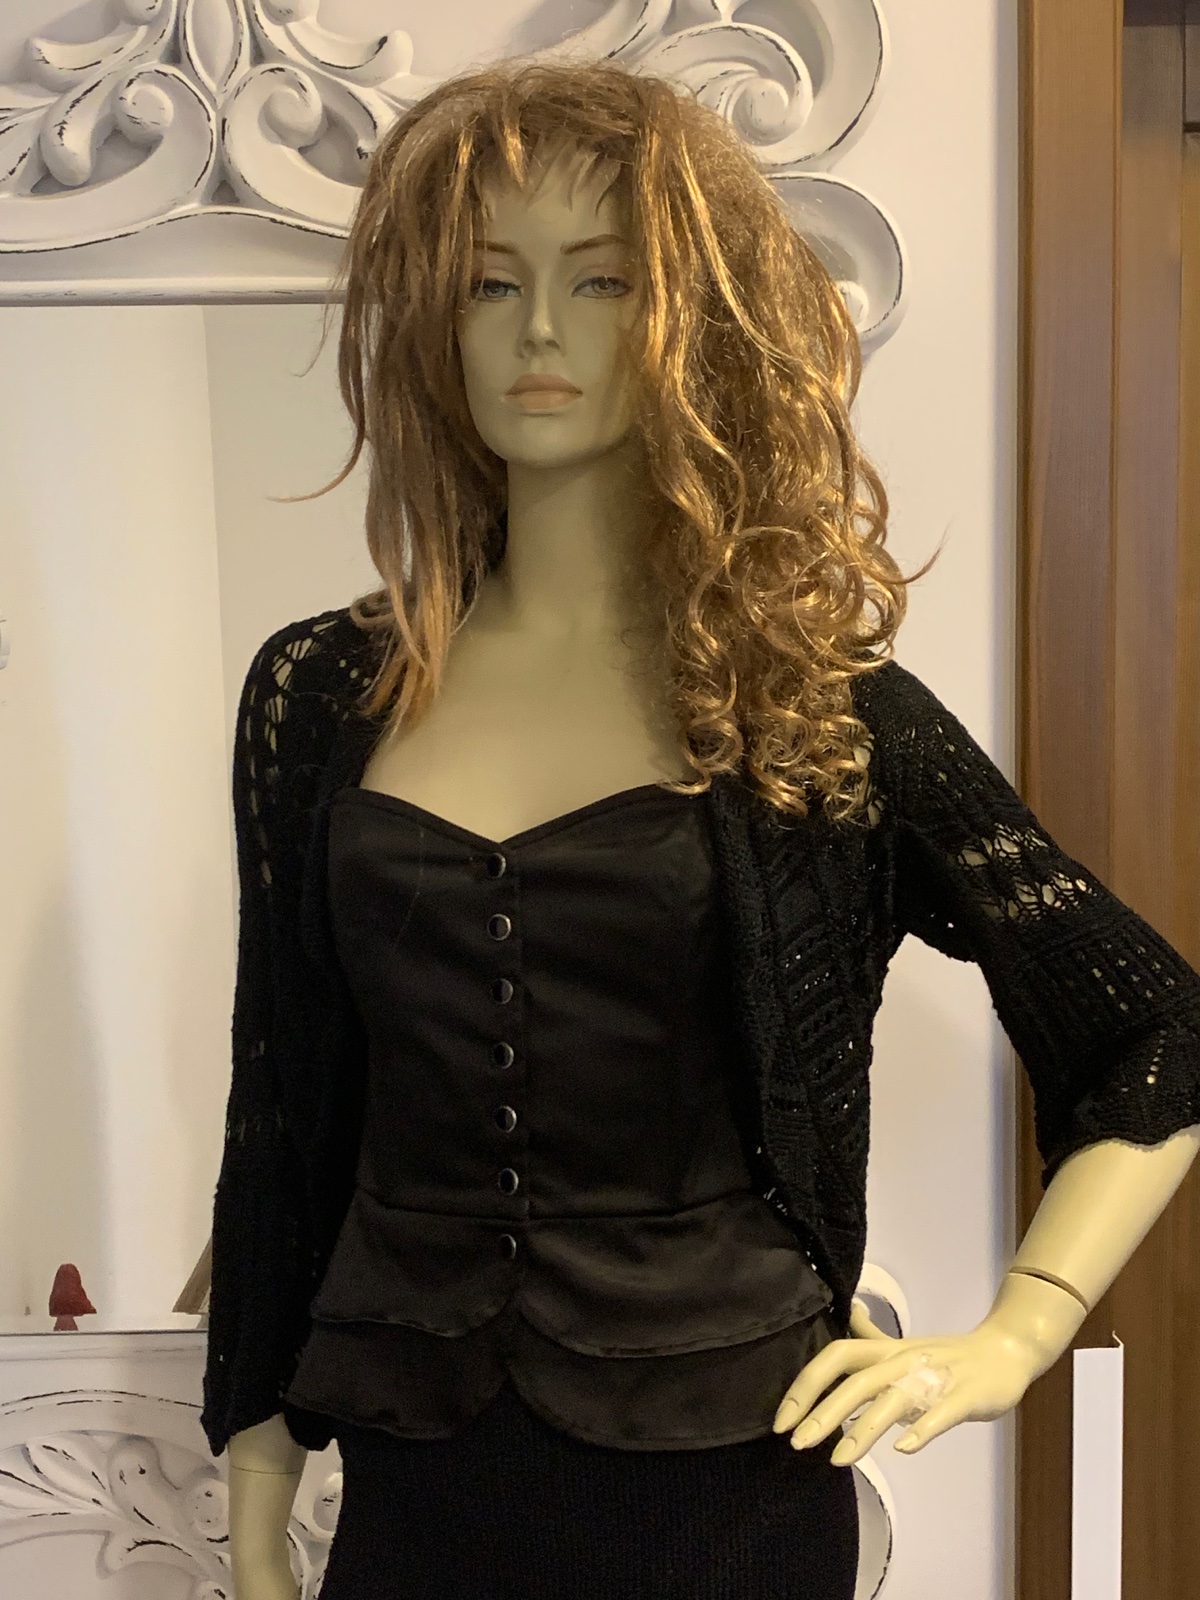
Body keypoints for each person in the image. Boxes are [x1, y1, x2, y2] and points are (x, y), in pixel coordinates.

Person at [200, 57, 1200, 1600]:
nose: (538, 329)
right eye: (490, 282)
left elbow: (1151, 1029)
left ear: (692, 321)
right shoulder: (321, 694)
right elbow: (286, 1101)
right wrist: (256, 1457)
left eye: (601, 280)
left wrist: (1018, 1336)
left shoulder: (813, 713)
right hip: (415, 1473)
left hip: (726, 1482)